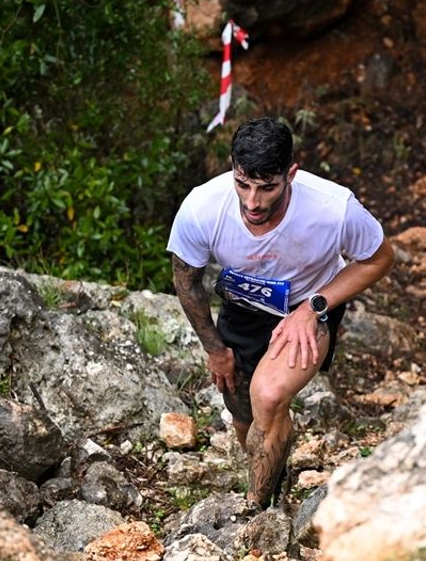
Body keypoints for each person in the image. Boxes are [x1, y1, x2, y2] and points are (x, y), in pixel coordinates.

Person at [167, 117, 395, 509]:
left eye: (267, 187)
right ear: (232, 168)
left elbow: (379, 259)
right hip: (242, 309)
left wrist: (315, 306)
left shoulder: (333, 208)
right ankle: (275, 466)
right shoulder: (202, 207)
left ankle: (257, 511)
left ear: (291, 173)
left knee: (269, 397)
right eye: (243, 184)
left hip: (306, 309)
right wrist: (215, 350)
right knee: (244, 417)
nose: (253, 201)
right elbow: (186, 281)